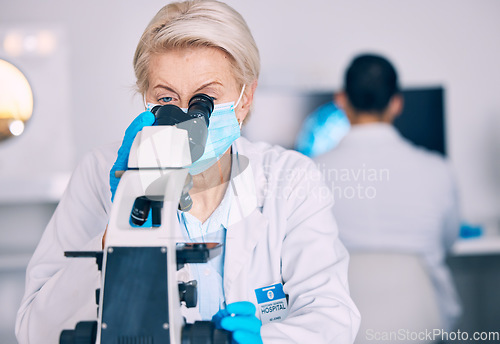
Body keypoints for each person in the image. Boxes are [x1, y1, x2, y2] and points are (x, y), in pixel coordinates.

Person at [15, 1, 360, 343]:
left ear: (246, 97)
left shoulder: (291, 178)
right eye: (166, 100)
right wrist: (119, 233)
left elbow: (331, 318)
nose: (186, 121)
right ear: (145, 100)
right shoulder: (100, 172)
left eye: (204, 99)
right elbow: (35, 330)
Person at [314, 54, 462, 331]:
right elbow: (449, 242)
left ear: (341, 100)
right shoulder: (438, 170)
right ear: (397, 103)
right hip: (422, 325)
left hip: (340, 327)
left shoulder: (309, 173)